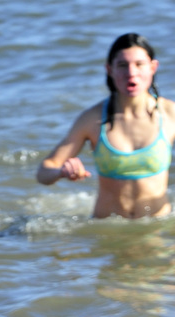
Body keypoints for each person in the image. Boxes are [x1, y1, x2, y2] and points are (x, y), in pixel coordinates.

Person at [36, 33, 175, 219]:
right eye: (122, 65)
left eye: (139, 64)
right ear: (109, 69)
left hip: (157, 228)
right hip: (108, 233)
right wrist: (61, 171)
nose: (131, 73)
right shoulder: (92, 119)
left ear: (153, 67)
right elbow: (43, 172)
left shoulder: (170, 114)